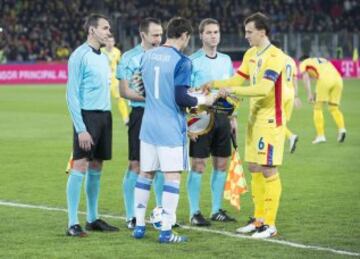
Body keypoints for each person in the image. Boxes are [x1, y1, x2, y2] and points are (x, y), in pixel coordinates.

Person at [132, 17, 216, 243]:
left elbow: (140, 86)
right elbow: (181, 98)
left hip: (148, 125)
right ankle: (166, 231)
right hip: (169, 127)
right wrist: (206, 100)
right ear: (185, 36)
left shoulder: (147, 55)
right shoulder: (183, 61)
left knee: (145, 174)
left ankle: (139, 226)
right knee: (172, 177)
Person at [204, 12, 286, 239]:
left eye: (249, 31)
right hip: (254, 120)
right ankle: (259, 219)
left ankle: (270, 224)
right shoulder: (251, 53)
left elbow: (263, 88)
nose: (246, 35)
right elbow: (235, 80)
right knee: (255, 168)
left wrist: (232, 91)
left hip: (271, 121)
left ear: (262, 32)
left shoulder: (275, 56)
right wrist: (214, 84)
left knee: (269, 168)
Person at [65, 13, 119, 237]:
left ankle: (92, 218)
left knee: (97, 167)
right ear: (92, 30)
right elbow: (71, 95)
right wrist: (81, 128)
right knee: (80, 166)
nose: (109, 32)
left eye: (109, 28)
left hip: (104, 116)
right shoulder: (79, 55)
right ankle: (72, 223)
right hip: (87, 117)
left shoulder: (104, 57)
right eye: (105, 28)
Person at [187, 18, 236, 226]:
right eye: (209, 32)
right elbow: (186, 92)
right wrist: (189, 124)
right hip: (201, 115)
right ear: (201, 35)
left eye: (216, 32)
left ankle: (216, 210)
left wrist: (233, 118)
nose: (213, 36)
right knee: (198, 164)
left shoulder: (226, 60)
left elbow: (232, 90)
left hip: (223, 117)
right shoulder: (192, 61)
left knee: (221, 163)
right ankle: (194, 212)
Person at [116, 18, 165, 229]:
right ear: (143, 35)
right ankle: (132, 215)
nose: (158, 39)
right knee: (136, 164)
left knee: (163, 165)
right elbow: (124, 91)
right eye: (154, 35)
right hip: (140, 115)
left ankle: (162, 212)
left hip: (162, 115)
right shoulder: (129, 58)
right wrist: (151, 97)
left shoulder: (166, 56)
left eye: (160, 34)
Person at [299, 55, 346, 144]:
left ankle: (321, 135)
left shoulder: (304, 63)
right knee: (334, 108)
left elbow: (305, 77)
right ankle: (342, 129)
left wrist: (309, 94)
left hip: (324, 80)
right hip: (338, 80)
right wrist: (315, 94)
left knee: (317, 108)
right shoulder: (321, 59)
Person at [101, 36, 129, 125]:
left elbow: (120, 64)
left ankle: (126, 119)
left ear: (114, 42)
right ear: (105, 42)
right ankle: (102, 120)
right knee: (103, 100)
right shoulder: (100, 51)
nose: (110, 43)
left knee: (120, 98)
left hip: (114, 80)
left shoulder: (117, 52)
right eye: (108, 41)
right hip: (103, 79)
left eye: (111, 41)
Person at [283, 54, 301, 153]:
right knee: (283, 122)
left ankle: (290, 136)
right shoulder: (291, 60)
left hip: (281, 92)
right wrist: (296, 96)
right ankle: (287, 141)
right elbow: (295, 79)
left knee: (275, 122)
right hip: (291, 92)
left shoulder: (275, 56)